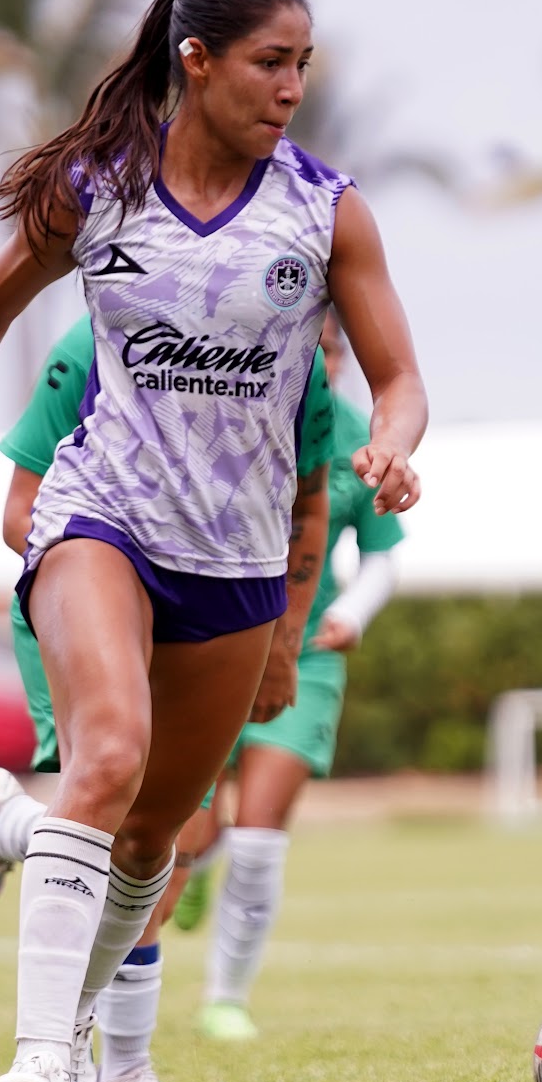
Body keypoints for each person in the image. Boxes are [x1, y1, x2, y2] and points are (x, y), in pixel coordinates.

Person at [0, 0, 427, 1082]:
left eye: (303, 66)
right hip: (100, 520)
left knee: (150, 839)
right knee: (108, 752)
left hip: (238, 562)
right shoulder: (98, 189)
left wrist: (390, 442)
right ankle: (40, 1054)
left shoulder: (328, 211)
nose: (291, 87)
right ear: (197, 58)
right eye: (271, 62)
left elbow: (402, 383)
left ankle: (13, 830)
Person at [0, 311, 336, 1082]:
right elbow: (20, 513)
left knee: (165, 828)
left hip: (210, 613)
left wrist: (284, 641)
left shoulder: (291, 357)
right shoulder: (88, 345)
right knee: (108, 788)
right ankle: (97, 1063)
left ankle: (7, 826)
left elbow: (310, 500)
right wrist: (114, 567)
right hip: (86, 600)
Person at [196, 315, 405, 1041]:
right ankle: (192, 864)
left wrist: (352, 612)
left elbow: (381, 550)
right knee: (183, 835)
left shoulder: (358, 443)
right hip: (212, 645)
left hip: (307, 653)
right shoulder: (224, 416)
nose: (320, 361)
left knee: (257, 837)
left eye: (332, 348)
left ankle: (227, 996)